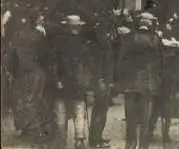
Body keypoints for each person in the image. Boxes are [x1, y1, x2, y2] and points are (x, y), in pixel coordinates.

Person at [117, 12, 162, 149]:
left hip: (130, 84)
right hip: (148, 84)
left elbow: (121, 61)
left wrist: (121, 80)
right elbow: (161, 62)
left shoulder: (129, 38)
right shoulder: (155, 40)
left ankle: (130, 145)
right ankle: (143, 146)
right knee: (145, 120)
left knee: (131, 119)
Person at [49, 14, 93, 149]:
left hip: (64, 84)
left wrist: (57, 80)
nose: (76, 28)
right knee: (77, 112)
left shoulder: (58, 42)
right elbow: (87, 66)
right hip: (74, 83)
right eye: (75, 26)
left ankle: (66, 141)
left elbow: (53, 64)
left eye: (77, 26)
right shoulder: (83, 43)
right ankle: (77, 141)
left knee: (63, 113)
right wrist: (86, 81)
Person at [7, 13, 50, 147]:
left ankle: (30, 132)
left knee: (25, 103)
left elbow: (10, 59)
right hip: (37, 73)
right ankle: (39, 135)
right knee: (37, 102)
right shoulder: (39, 36)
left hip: (22, 75)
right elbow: (45, 56)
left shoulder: (16, 37)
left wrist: (14, 74)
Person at [149, 26, 179, 144]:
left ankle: (154, 133)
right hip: (166, 86)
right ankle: (163, 134)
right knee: (163, 110)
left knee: (158, 110)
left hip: (163, 85)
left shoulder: (162, 56)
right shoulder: (174, 58)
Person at [88, 18, 115, 148]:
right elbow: (101, 63)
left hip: (101, 79)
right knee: (101, 109)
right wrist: (102, 80)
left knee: (98, 109)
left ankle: (96, 138)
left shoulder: (97, 43)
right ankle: (96, 140)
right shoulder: (103, 44)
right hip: (102, 80)